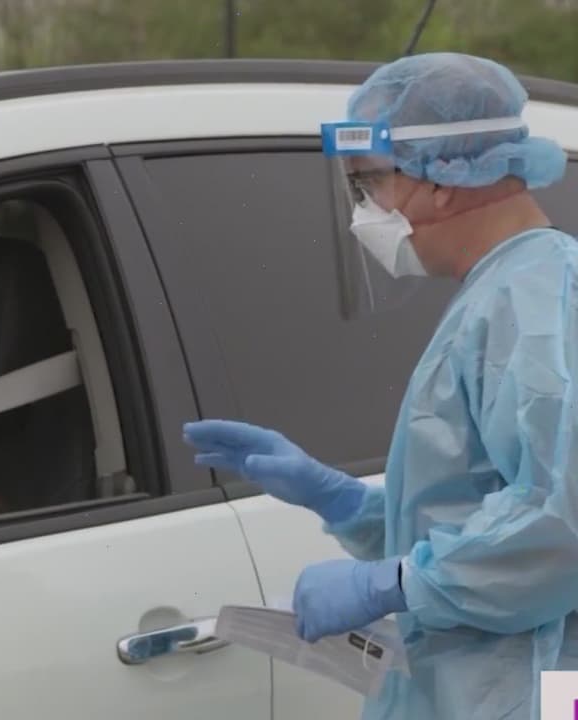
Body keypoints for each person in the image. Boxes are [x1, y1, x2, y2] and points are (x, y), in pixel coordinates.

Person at [183, 52, 577, 719]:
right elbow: (479, 505)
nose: (362, 211)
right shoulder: (504, 292)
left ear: (442, 178)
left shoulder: (540, 300)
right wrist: (346, 504)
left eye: (369, 181)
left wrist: (393, 582)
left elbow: (562, 521)